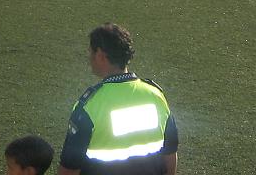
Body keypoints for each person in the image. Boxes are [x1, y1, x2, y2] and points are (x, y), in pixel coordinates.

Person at [58, 24, 178, 175]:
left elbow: (69, 167)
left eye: (91, 52)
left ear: (101, 54)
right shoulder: (156, 95)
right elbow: (170, 154)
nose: (89, 58)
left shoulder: (89, 105)